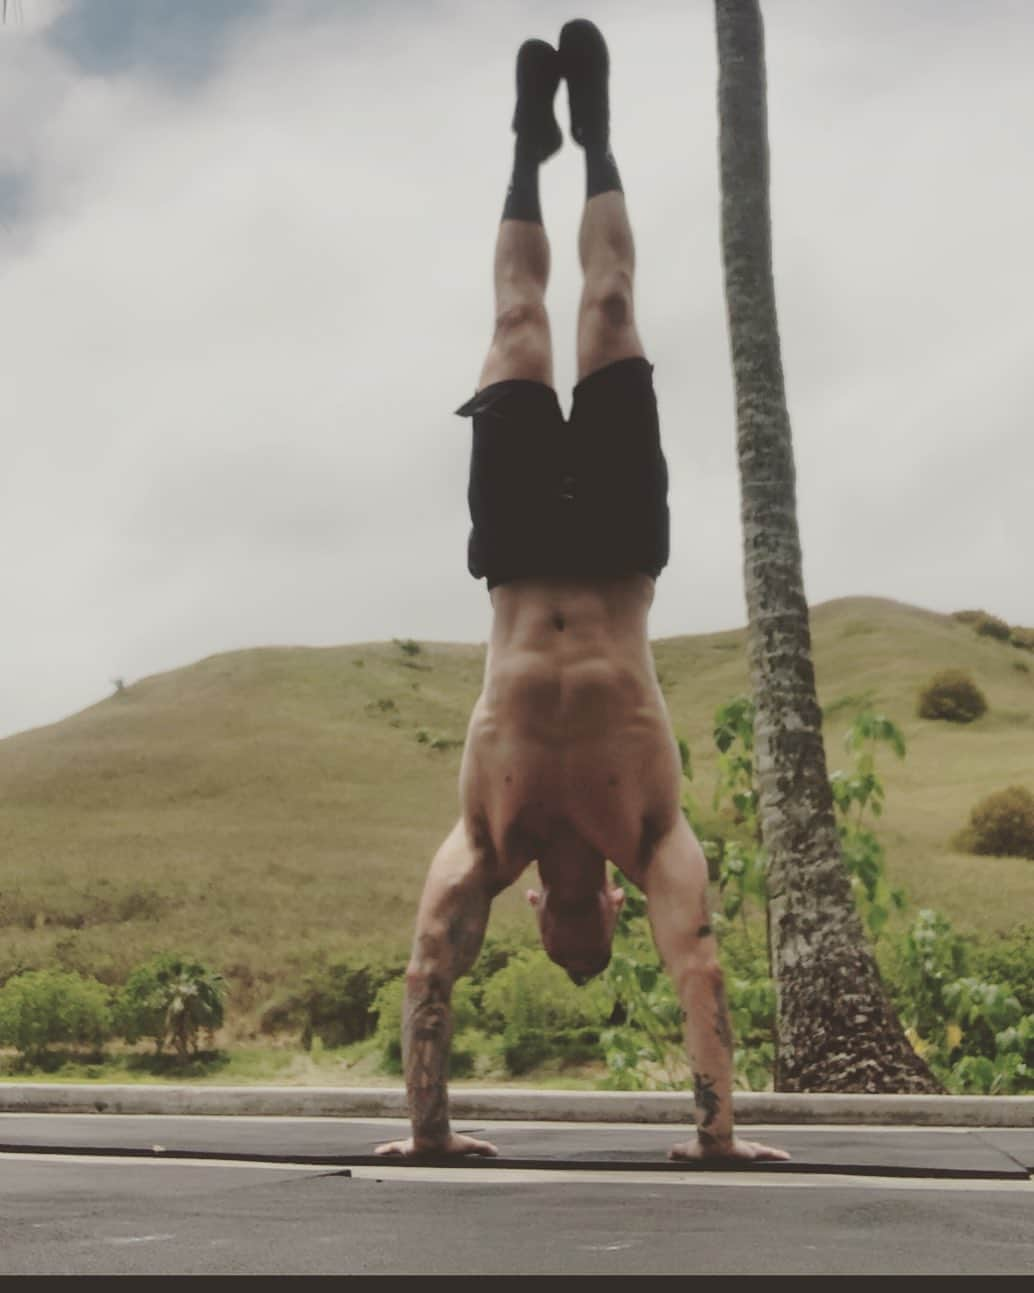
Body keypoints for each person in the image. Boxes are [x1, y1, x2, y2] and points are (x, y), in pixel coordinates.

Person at [376, 20, 788, 1165]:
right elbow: (696, 957)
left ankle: (526, 148)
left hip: (512, 551)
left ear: (533, 914)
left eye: (569, 934)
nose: (581, 921)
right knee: (606, 310)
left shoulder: (481, 840)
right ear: (612, 907)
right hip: (619, 547)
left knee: (517, 321)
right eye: (595, 929)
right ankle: (593, 140)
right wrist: (715, 1140)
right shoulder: (649, 836)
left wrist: (427, 1135)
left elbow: (425, 970)